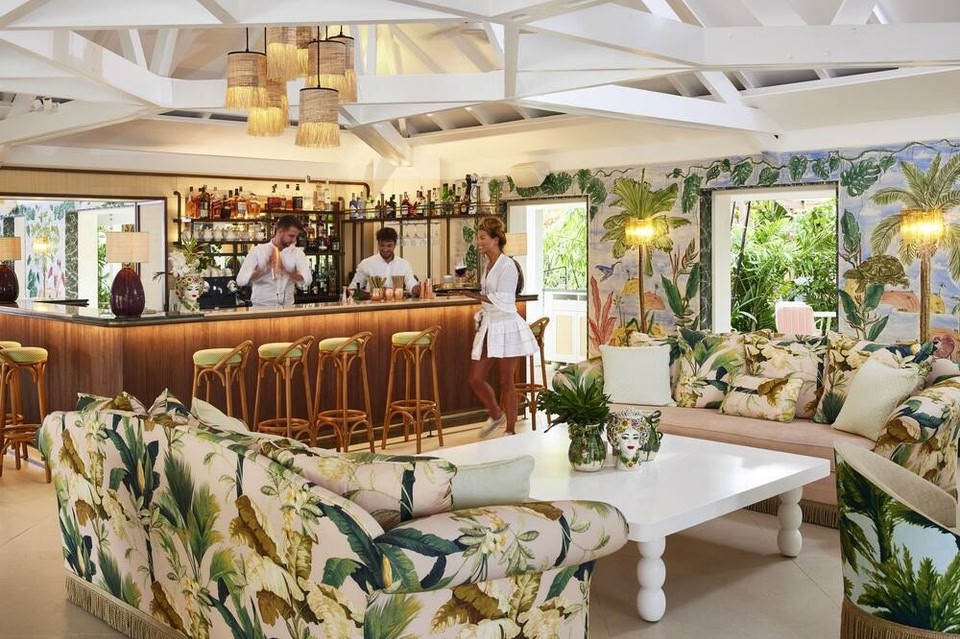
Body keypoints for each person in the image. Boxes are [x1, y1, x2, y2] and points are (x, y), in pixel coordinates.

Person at [463, 217, 537, 437]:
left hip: (506, 326)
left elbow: (505, 299)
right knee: (475, 378)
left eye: (482, 238)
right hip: (490, 325)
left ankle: (510, 430)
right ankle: (496, 413)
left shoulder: (508, 266)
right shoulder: (488, 266)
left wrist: (474, 295)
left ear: (495, 240)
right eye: (478, 238)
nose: (479, 242)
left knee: (506, 382)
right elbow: (488, 296)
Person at [236, 215, 310, 306]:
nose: (294, 240)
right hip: (261, 308)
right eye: (291, 236)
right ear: (279, 232)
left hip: (288, 308)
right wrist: (264, 269)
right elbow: (241, 280)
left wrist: (288, 271)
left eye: (296, 236)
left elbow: (307, 280)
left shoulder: (297, 253)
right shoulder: (257, 251)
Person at [347, 227, 421, 298]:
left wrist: (418, 289)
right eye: (382, 245)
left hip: (397, 305)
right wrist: (370, 295)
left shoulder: (404, 264)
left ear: (395, 245)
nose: (385, 249)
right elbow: (352, 289)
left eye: (389, 246)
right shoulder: (366, 264)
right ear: (378, 244)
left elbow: (411, 284)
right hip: (372, 305)